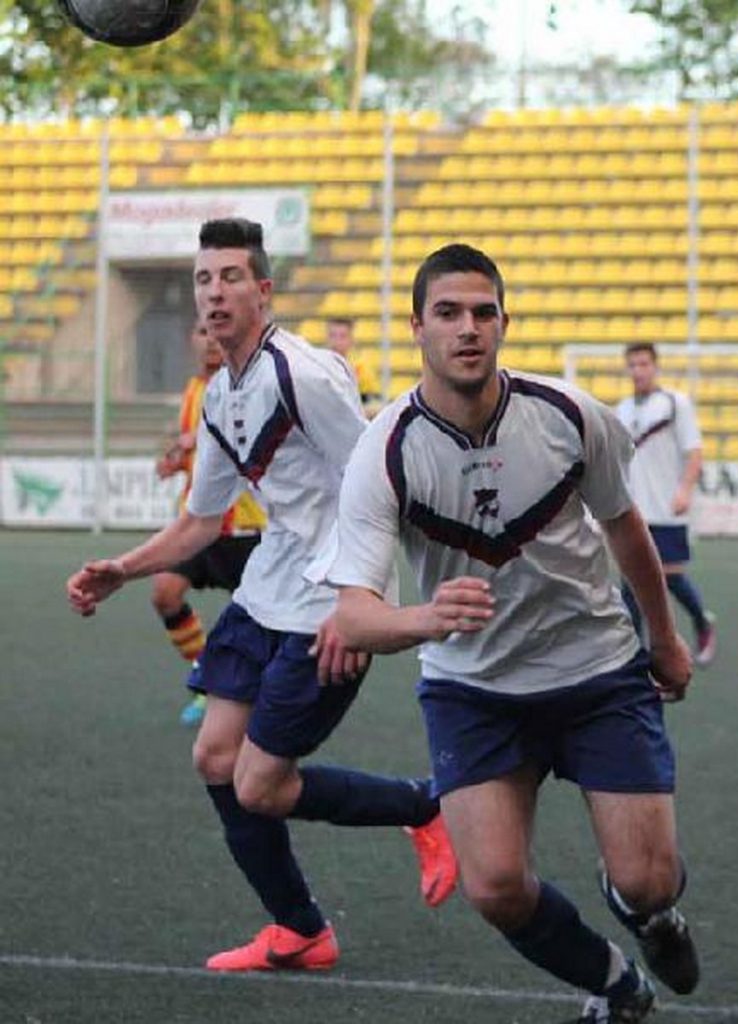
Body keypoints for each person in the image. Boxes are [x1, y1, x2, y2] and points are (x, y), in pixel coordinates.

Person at [67, 218, 457, 973]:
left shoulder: (303, 375)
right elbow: (201, 520)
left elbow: (378, 485)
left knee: (260, 785)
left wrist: (357, 602)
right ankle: (301, 930)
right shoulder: (221, 393)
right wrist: (124, 569)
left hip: (328, 601)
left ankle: (424, 805)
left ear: (263, 290)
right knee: (216, 757)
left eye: (230, 277)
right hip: (268, 587)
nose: (213, 293)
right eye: (203, 280)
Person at [324, 243, 699, 1023]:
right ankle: (616, 986)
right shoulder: (384, 449)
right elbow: (352, 614)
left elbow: (625, 528)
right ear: (417, 327)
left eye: (482, 312)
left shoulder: (568, 414)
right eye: (447, 313)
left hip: (596, 672)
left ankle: (645, 909)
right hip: (474, 690)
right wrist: (425, 618)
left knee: (649, 881)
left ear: (503, 323)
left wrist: (663, 638)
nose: (467, 328)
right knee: (494, 885)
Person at [153, 319, 266, 727]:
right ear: (192, 339)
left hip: (246, 528)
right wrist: (176, 460)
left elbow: (249, 443)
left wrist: (196, 441)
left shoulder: (247, 386)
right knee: (165, 593)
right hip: (200, 526)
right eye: (202, 332)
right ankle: (207, 678)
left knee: (264, 623)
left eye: (216, 332)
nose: (211, 340)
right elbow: (200, 457)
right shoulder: (192, 389)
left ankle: (258, 696)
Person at [614, 344, 717, 666]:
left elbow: (694, 451)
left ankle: (702, 622)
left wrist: (685, 490)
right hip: (634, 510)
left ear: (655, 367)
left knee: (670, 576)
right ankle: (637, 655)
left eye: (644, 364)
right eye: (633, 365)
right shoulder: (622, 409)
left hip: (666, 507)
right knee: (631, 581)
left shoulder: (675, 403)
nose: (638, 371)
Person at [325, 316, 382, 414]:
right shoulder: (320, 364)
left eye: (342, 336)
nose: (337, 341)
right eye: (333, 336)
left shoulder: (362, 366)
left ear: (351, 339)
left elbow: (373, 401)